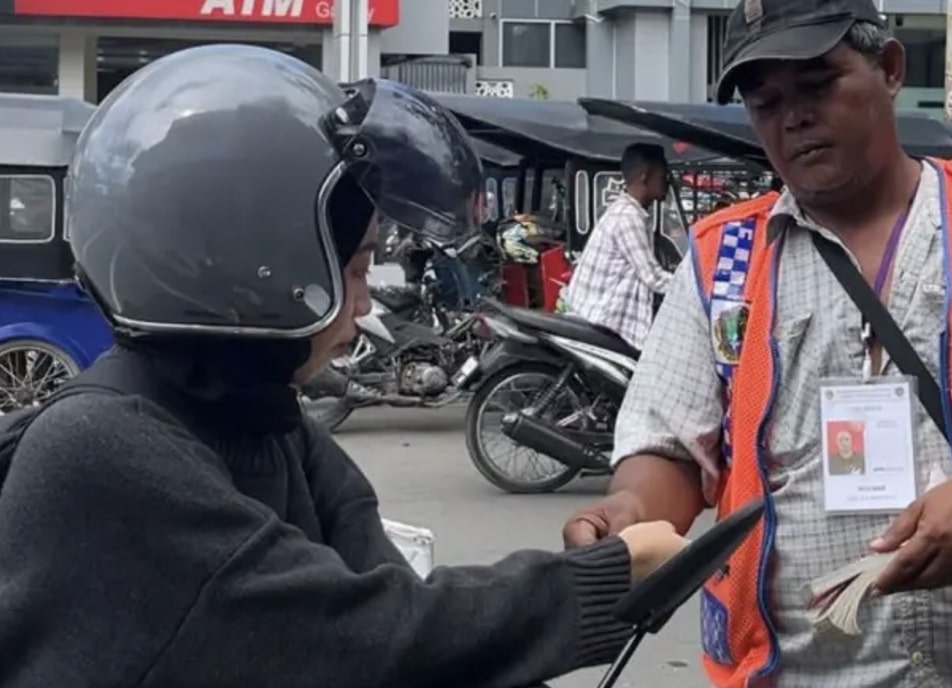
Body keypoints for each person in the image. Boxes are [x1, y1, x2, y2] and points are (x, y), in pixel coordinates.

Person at [0, 45, 687, 688]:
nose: (361, 306)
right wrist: (602, 583)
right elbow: (362, 638)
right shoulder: (102, 451)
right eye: (355, 269)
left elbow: (393, 598)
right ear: (258, 274)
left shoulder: (269, 422)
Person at [562, 1, 952, 687]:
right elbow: (668, 447)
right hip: (800, 672)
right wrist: (629, 513)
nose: (792, 117)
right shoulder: (722, 261)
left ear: (889, 68)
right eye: (766, 101)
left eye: (818, 85)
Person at [561, 142, 675, 350]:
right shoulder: (628, 217)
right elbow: (654, 278)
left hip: (597, 313)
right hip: (601, 318)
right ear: (645, 176)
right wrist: (695, 285)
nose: (667, 182)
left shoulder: (628, 212)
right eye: (663, 175)